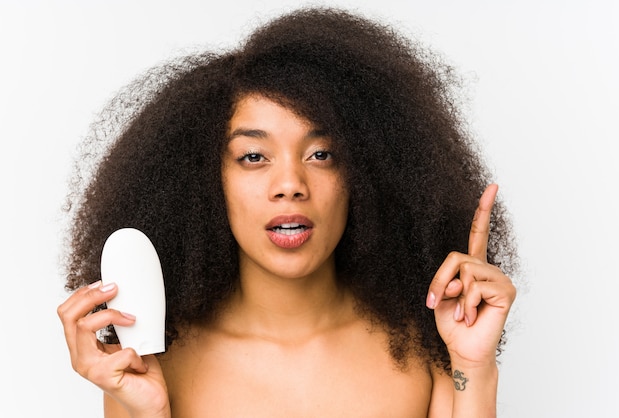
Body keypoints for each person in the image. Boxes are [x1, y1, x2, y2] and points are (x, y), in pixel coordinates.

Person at [57, 7, 518, 418]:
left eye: (321, 154)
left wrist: (475, 367)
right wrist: (146, 413)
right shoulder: (155, 365)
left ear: (367, 170)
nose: (291, 186)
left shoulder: (422, 353)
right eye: (254, 157)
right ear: (204, 178)